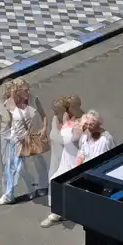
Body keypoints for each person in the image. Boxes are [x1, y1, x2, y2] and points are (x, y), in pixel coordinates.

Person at [0, 79, 49, 206]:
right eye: (25, 90)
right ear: (17, 91)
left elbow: (44, 116)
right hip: (16, 140)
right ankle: (9, 195)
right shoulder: (10, 103)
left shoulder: (34, 99)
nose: (28, 92)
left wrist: (44, 128)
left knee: (39, 163)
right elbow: (11, 123)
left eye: (28, 89)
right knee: (13, 167)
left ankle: (43, 186)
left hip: (33, 137)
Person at [40, 95, 87, 227]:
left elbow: (75, 140)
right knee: (55, 180)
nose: (54, 114)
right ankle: (58, 211)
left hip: (75, 157)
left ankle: (64, 212)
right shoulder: (59, 119)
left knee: (71, 184)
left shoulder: (81, 121)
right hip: (63, 156)